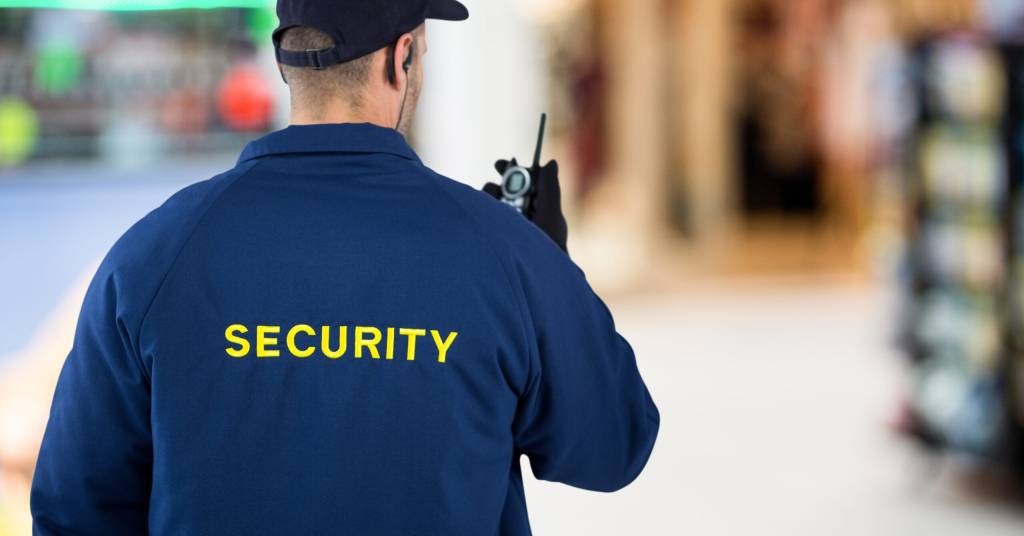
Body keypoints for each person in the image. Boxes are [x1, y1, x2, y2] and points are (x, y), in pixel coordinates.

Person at [30, 1, 660, 534]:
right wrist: (552, 265)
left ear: (283, 62)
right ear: (401, 58)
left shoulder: (153, 255)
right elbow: (613, 449)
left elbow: (73, 508)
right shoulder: (507, 256)